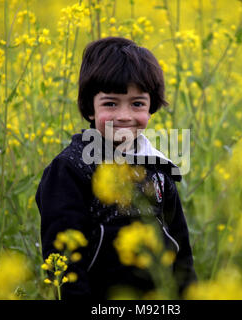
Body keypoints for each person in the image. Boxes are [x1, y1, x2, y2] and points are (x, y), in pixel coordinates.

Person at [35, 37, 197, 299]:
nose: (124, 115)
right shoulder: (70, 169)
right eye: (110, 103)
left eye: (137, 104)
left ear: (151, 106)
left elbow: (181, 253)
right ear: (90, 108)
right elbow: (62, 263)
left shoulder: (159, 169)